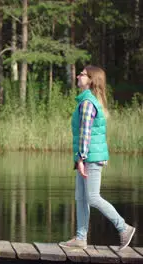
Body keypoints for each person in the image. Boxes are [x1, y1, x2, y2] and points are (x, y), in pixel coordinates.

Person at [59, 65, 136, 251]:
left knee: (92, 197)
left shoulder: (87, 103)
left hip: (90, 157)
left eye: (83, 74)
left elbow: (85, 134)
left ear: (91, 80)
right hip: (87, 156)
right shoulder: (87, 101)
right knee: (81, 197)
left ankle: (124, 227)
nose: (78, 76)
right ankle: (80, 238)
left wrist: (81, 158)